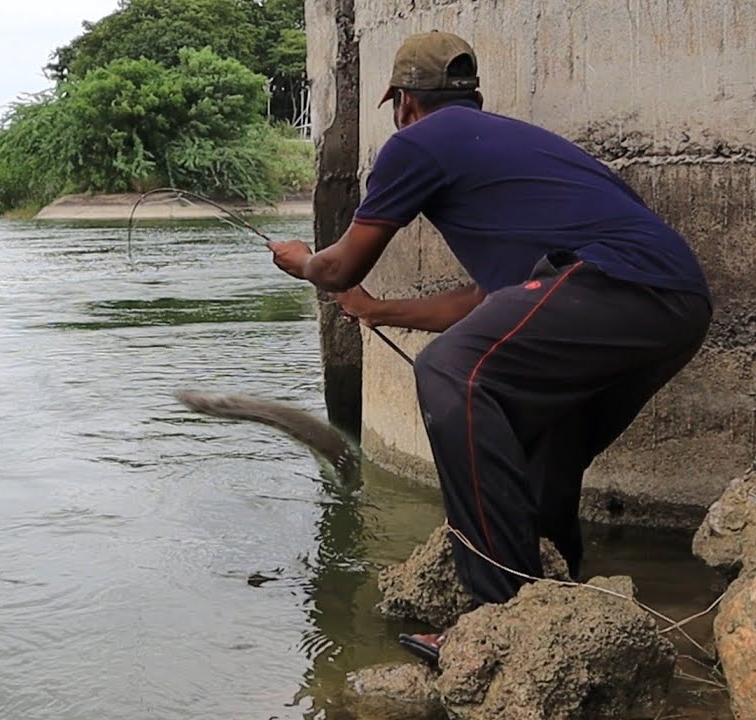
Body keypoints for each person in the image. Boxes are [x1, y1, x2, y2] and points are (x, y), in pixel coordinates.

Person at [267, 30, 712, 664]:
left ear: (403, 101)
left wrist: (304, 262)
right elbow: (491, 302)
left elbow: (340, 267)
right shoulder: (515, 145)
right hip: (676, 304)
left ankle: (499, 619)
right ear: (471, 97)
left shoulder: (415, 142)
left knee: (451, 371)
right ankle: (557, 607)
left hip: (612, 283)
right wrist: (378, 310)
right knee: (547, 448)